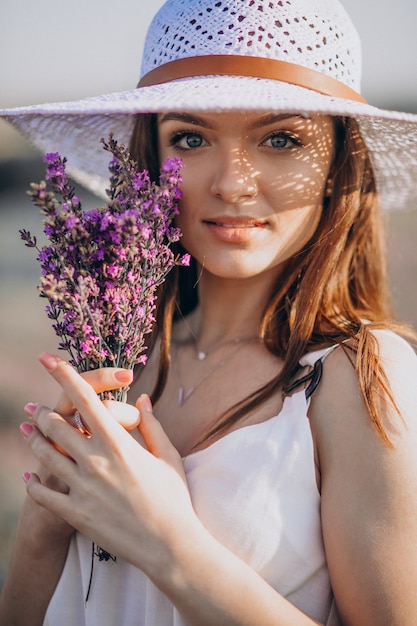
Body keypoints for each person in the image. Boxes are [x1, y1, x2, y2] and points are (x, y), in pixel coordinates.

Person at [1, 0, 417, 624]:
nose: (233, 183)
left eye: (281, 138)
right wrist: (44, 523)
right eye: (190, 138)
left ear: (336, 165)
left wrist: (170, 544)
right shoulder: (124, 357)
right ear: (149, 160)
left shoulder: (357, 372)